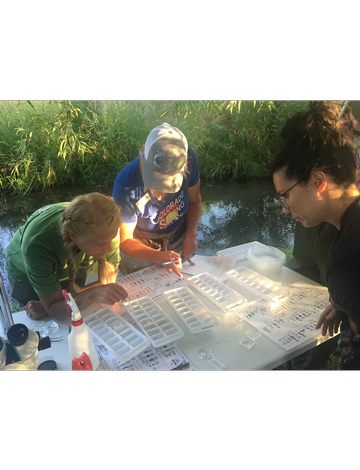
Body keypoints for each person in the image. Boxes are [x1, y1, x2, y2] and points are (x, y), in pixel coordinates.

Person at [272, 100, 360, 370]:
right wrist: (345, 304)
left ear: (317, 182)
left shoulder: (346, 262)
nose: (285, 208)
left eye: (285, 195)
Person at [6, 193, 128, 320]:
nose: (109, 249)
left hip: (73, 262)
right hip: (27, 276)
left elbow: (107, 283)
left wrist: (60, 305)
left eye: (111, 239)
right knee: (44, 322)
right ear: (73, 236)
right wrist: (91, 295)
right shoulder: (37, 244)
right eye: (100, 244)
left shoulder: (106, 229)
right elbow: (55, 310)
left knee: (70, 312)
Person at [112, 123, 201, 279]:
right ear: (144, 151)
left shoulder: (190, 159)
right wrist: (158, 256)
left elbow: (194, 201)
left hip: (177, 235)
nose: (162, 192)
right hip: (140, 244)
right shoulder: (126, 184)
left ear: (185, 164)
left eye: (169, 183)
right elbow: (125, 239)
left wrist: (191, 235)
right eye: (155, 180)